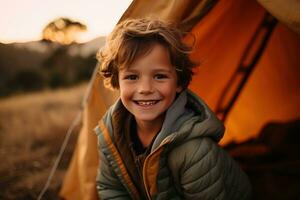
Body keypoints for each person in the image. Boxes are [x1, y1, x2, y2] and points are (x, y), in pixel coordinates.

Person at [94, 18, 252, 200]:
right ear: (116, 81)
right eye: (132, 77)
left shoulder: (194, 150)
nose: (145, 88)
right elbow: (110, 188)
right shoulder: (111, 133)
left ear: (179, 82)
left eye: (160, 76)